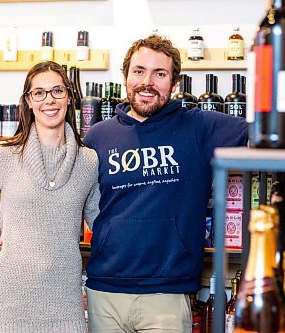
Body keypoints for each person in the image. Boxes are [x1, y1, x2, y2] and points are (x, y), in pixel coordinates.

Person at [81, 34, 248, 332]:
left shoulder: (200, 126)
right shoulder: (97, 136)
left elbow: (266, 133)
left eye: (160, 73)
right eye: (139, 71)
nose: (147, 81)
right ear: (125, 75)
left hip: (167, 295)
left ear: (175, 83)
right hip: (104, 291)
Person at [0, 60, 100, 333]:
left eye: (57, 91)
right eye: (39, 93)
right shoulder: (5, 154)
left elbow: (100, 220)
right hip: (6, 303)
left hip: (64, 304)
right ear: (29, 101)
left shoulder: (88, 161)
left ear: (70, 97)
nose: (49, 100)